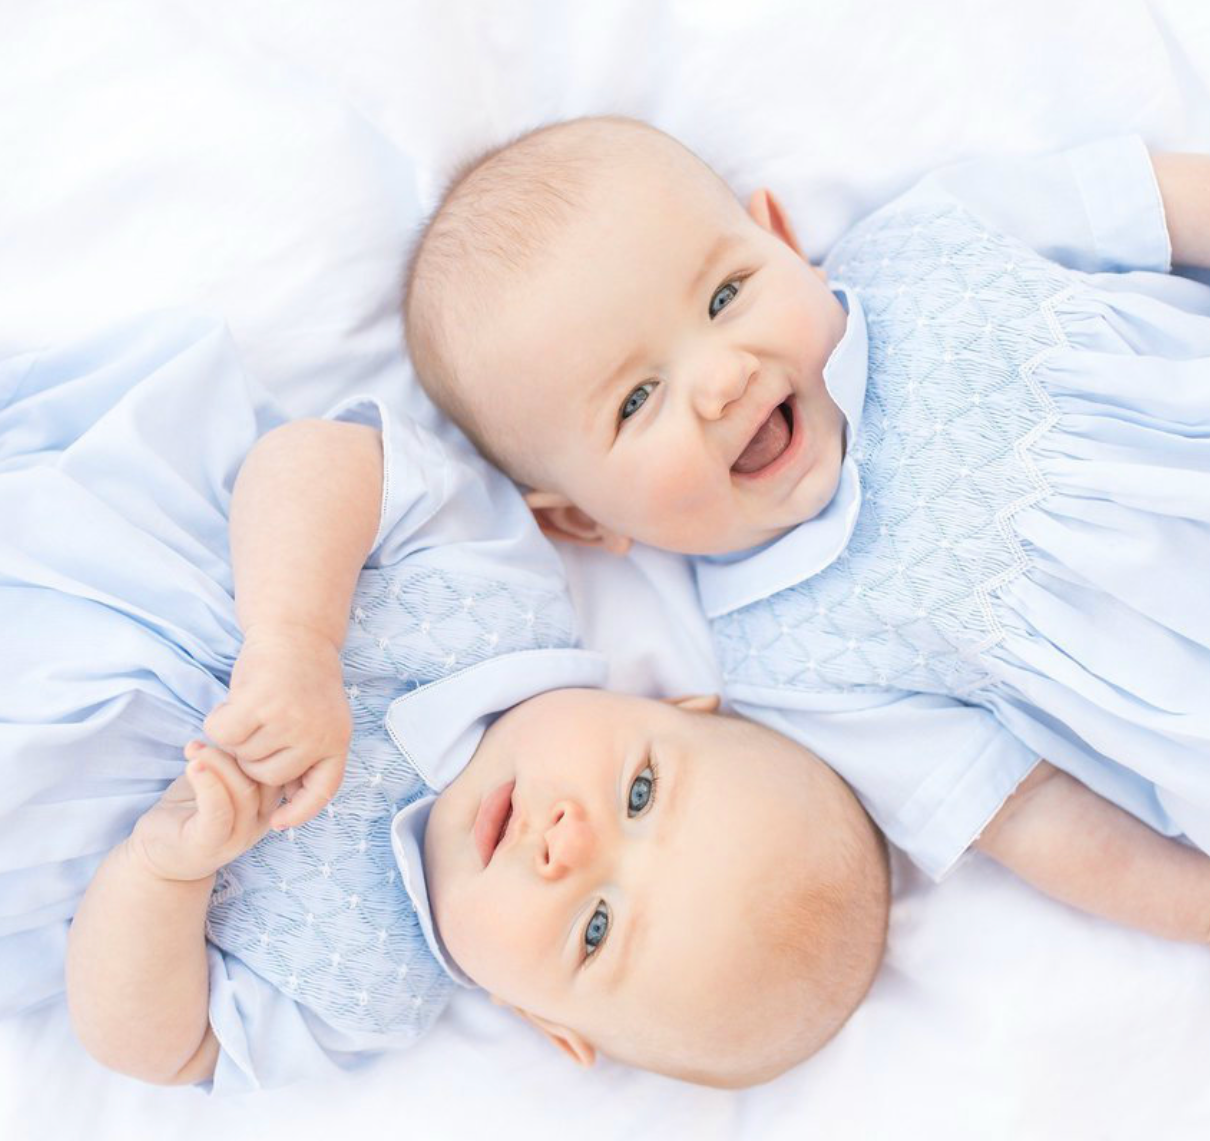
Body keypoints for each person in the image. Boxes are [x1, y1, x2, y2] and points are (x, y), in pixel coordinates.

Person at [0, 315, 888, 1094]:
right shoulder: (499, 594)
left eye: (596, 929)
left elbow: (158, 1048)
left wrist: (164, 872)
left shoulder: (367, 991)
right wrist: (296, 636)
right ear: (677, 704)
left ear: (543, 1021)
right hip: (74, 537)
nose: (569, 844)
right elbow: (315, 458)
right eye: (641, 793)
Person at [404, 115, 1210, 939]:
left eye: (726, 297)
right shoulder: (792, 668)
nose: (722, 378)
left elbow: (1156, 203)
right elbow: (1031, 810)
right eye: (637, 400)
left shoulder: (929, 243)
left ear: (783, 241)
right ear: (584, 518)